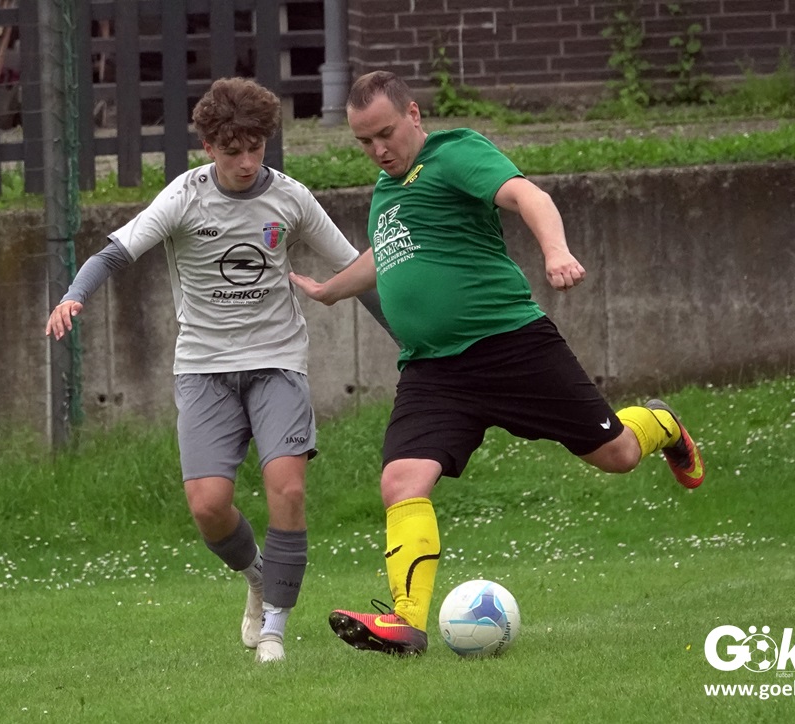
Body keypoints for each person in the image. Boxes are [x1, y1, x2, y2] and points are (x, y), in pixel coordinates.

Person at [288, 70, 706, 656]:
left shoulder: (454, 153)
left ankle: (660, 423)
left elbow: (528, 196)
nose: (378, 150)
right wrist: (331, 291)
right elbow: (387, 253)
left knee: (616, 455)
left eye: (385, 134)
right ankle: (406, 622)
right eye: (364, 141)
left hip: (511, 347)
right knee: (401, 480)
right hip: (433, 370)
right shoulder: (388, 190)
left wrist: (556, 252)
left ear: (413, 115)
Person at [46, 77, 387, 663]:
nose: (247, 162)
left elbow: (358, 270)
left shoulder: (291, 198)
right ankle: (257, 576)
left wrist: (408, 338)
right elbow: (114, 252)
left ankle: (274, 632)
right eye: (233, 152)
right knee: (207, 506)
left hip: (278, 361)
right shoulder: (185, 197)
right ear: (208, 147)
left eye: (256, 148)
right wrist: (73, 295)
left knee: (288, 488)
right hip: (204, 368)